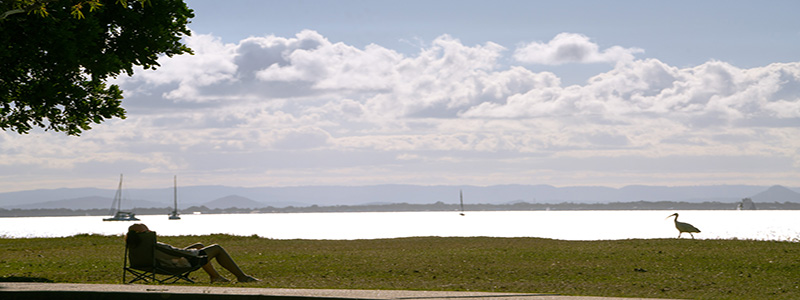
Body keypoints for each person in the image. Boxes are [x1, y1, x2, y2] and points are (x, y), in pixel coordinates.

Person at [126, 223, 260, 283]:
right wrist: (194, 253)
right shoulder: (155, 246)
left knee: (200, 246)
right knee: (216, 248)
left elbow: (171, 252)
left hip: (155, 263)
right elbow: (175, 252)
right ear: (142, 235)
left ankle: (215, 277)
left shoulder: (134, 245)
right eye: (147, 231)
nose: (149, 232)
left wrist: (195, 250)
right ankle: (242, 277)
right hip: (175, 264)